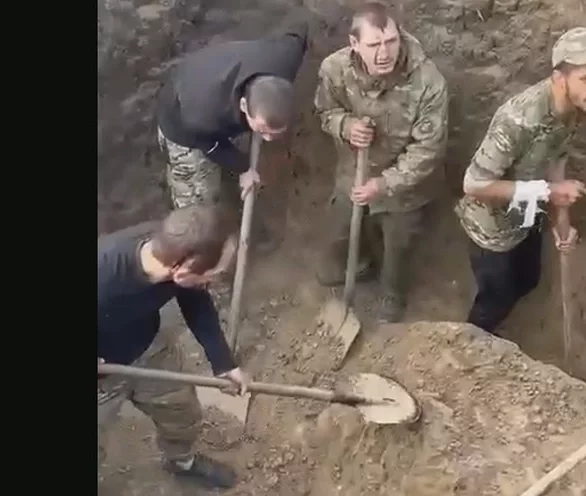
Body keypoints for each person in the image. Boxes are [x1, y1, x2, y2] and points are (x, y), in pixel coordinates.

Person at [455, 27, 586, 335]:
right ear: (559, 78)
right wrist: (548, 191)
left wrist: (562, 221)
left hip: (526, 214)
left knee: (528, 279)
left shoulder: (572, 108)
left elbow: (557, 157)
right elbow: (473, 185)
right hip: (490, 229)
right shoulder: (520, 119)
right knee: (495, 299)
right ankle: (475, 341)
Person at [313, 1, 449, 323]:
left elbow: (428, 149)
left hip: (404, 186)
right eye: (374, 45)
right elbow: (324, 112)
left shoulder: (428, 81)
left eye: (391, 41)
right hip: (353, 173)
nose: (384, 52)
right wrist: (345, 126)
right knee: (340, 231)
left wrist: (384, 183)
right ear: (354, 44)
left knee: (398, 244)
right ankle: (358, 267)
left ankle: (392, 293)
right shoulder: (334, 69)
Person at [97, 204, 246, 490]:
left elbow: (196, 302)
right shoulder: (103, 273)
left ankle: (181, 462)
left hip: (150, 349)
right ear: (180, 270)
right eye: (212, 274)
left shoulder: (170, 247)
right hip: (101, 377)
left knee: (182, 414)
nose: (214, 279)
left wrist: (223, 362)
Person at [155, 17, 309, 255]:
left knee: (229, 174)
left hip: (218, 81)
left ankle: (234, 214)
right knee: (197, 206)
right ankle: (204, 265)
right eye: (262, 131)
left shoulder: (287, 56)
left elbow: (298, 28)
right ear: (245, 106)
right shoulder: (202, 116)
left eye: (275, 133)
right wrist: (243, 166)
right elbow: (209, 143)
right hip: (182, 123)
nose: (268, 140)